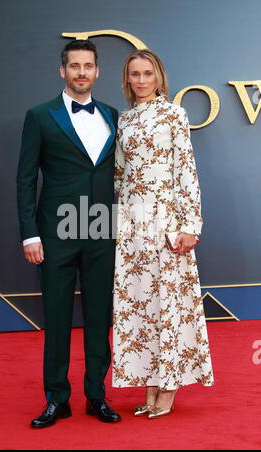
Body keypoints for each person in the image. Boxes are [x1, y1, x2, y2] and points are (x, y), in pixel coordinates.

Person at [17, 40, 121, 427]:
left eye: (88, 66)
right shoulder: (40, 116)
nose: (81, 72)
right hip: (56, 232)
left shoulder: (112, 114)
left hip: (101, 230)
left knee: (99, 317)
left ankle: (96, 394)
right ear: (62, 71)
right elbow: (26, 178)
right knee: (57, 318)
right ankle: (57, 398)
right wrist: (30, 234)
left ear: (97, 71)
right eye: (74, 65)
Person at [112, 49, 214, 418]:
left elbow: (185, 170)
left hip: (167, 222)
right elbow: (119, 176)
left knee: (169, 305)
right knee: (139, 305)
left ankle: (169, 387)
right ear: (127, 79)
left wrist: (189, 225)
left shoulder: (174, 113)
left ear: (159, 77)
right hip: (132, 226)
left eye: (147, 73)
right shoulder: (124, 120)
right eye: (134, 74)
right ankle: (149, 385)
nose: (140, 80)